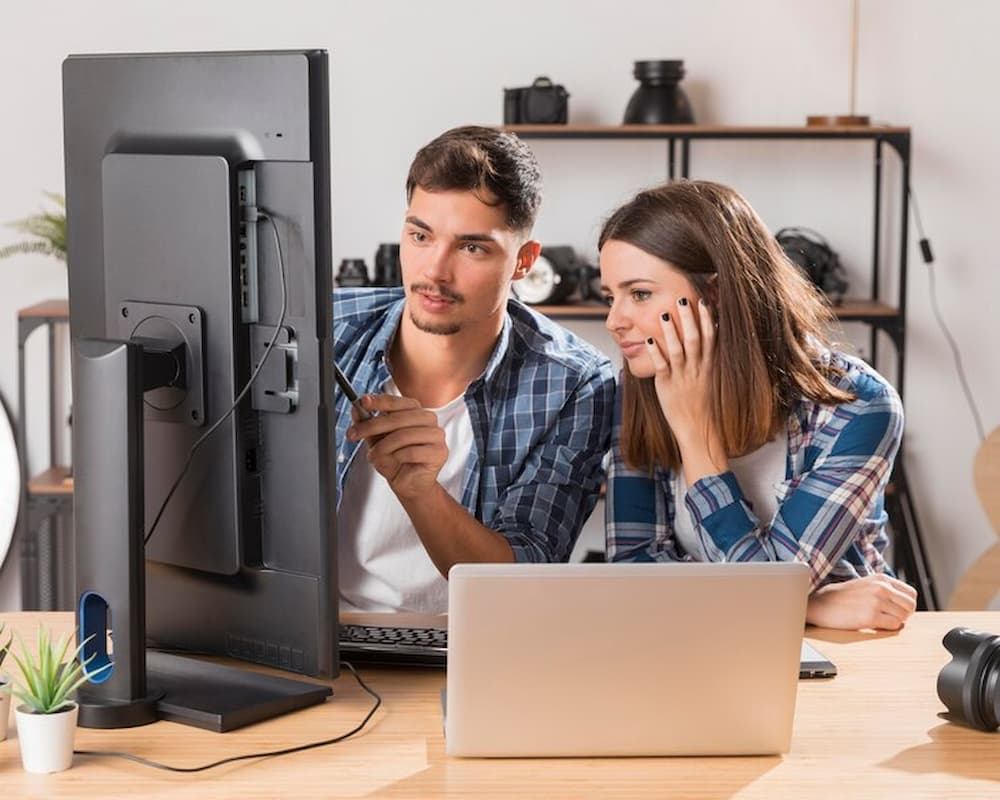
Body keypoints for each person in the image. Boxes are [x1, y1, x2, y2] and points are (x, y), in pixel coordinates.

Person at [599, 179, 917, 631]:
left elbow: (764, 588)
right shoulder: (638, 386)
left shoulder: (859, 406)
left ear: (716, 297)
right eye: (609, 296)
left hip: (839, 655)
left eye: (640, 293)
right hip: (697, 644)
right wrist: (809, 606)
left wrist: (695, 437)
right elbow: (633, 573)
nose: (615, 320)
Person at [335, 126, 615, 614]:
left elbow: (522, 584)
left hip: (470, 653)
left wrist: (421, 491)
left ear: (524, 261)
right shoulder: (323, 329)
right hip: (314, 643)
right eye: (420, 236)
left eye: (472, 248)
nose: (434, 271)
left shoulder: (575, 384)